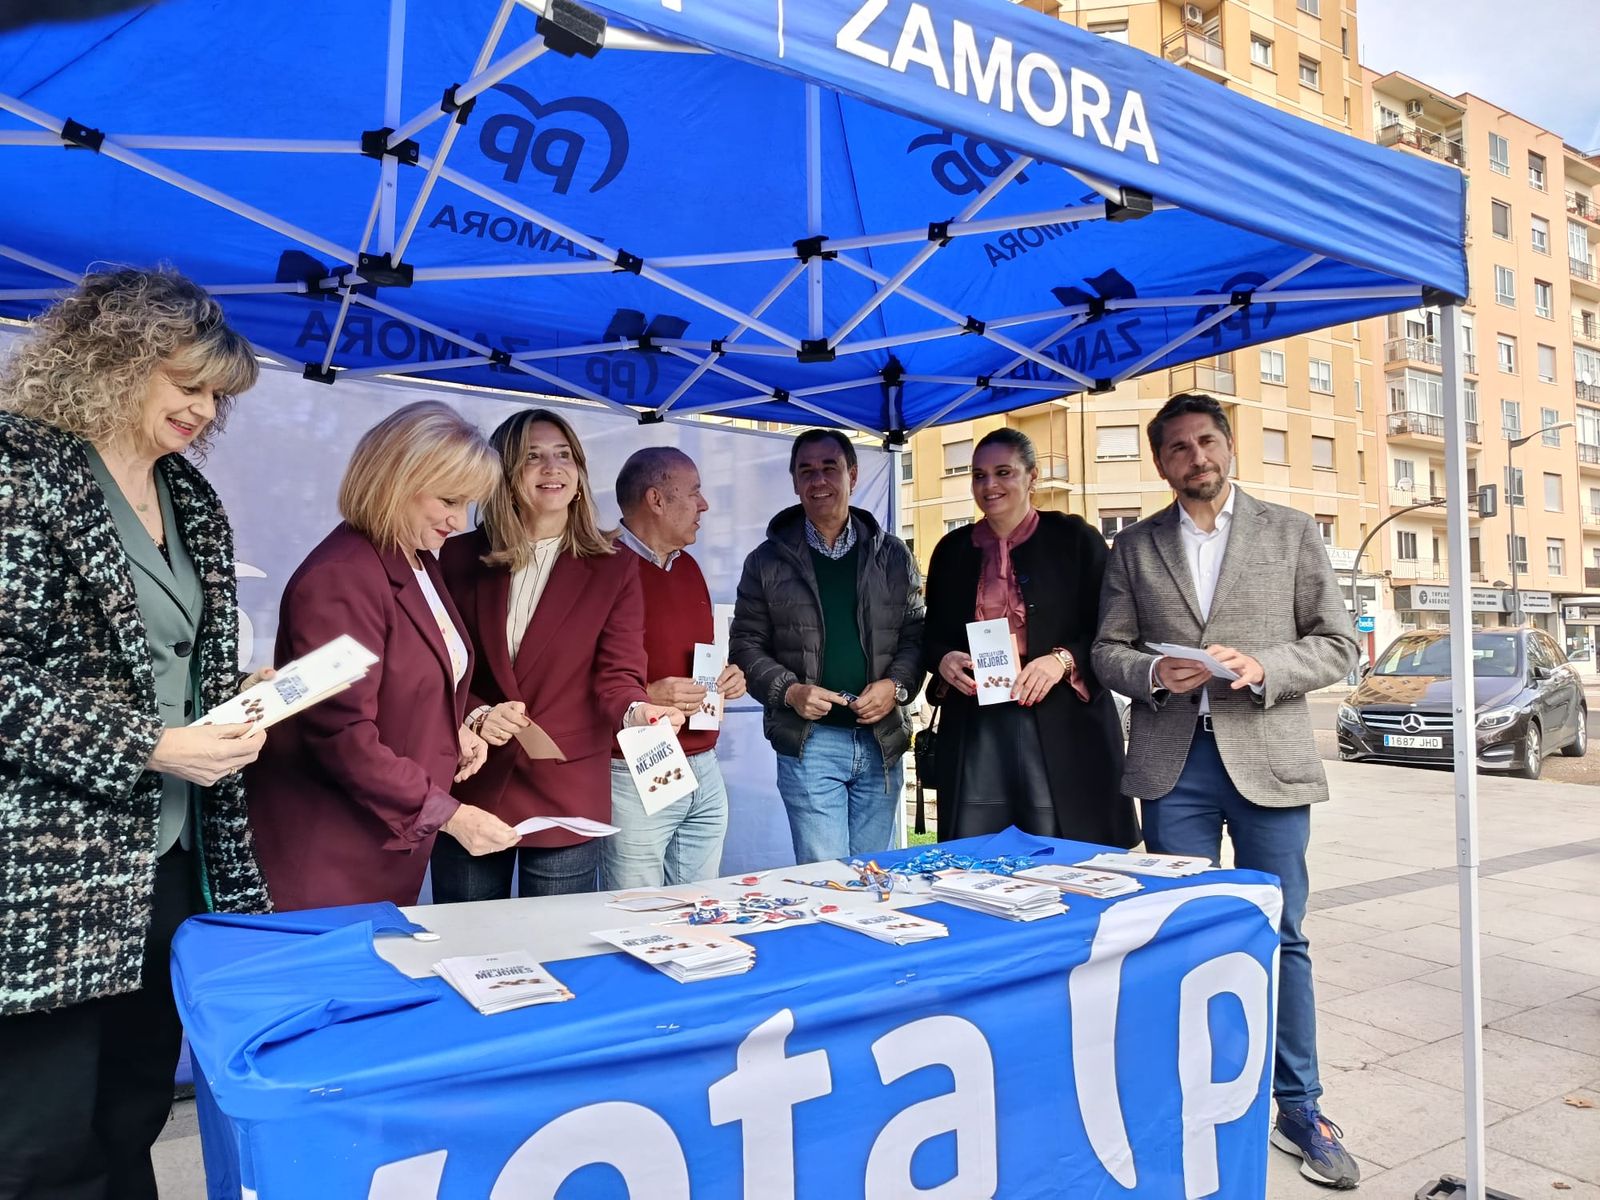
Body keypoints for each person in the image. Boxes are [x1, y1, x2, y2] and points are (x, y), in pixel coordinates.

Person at [0, 268, 271, 1198]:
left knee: (134, 1109)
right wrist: (147, 745)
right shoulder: (16, 468)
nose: (202, 409)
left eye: (215, 396)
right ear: (112, 361)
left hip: (173, 856)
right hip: (49, 870)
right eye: (185, 384)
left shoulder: (189, 498)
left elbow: (164, 665)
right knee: (37, 1138)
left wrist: (239, 701)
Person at [1090, 392, 1361, 1189]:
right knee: (1186, 937)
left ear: (1230, 445)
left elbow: (1339, 646)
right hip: (1174, 768)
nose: (1195, 457)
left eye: (1206, 441)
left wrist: (1265, 667)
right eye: (1177, 448)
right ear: (1159, 461)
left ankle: (1299, 1106)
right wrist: (1152, 673)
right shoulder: (1135, 547)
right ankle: (1193, 1097)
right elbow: (1106, 650)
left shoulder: (1293, 531)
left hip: (1268, 758)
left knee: (1284, 934)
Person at [247, 400, 519, 910]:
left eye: (468, 505)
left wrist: (454, 729)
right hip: (333, 847)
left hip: (384, 839)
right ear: (398, 479)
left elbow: (410, 682)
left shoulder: (413, 560)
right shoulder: (343, 577)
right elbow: (339, 733)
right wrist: (452, 816)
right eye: (449, 501)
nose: (459, 522)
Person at [437, 409, 681, 900]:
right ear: (504, 473)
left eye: (564, 455)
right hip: (473, 780)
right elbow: (440, 668)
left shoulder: (614, 568)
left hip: (566, 784)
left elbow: (618, 673)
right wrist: (478, 714)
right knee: (467, 944)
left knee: (555, 948)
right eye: (533, 457)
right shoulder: (456, 556)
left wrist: (637, 711)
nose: (553, 468)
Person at [921, 428, 1137, 846]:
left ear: (1032, 476)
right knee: (977, 855)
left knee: (1063, 851)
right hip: (975, 725)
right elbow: (930, 635)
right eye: (979, 475)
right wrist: (944, 659)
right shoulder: (951, 549)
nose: (990, 485)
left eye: (1004, 472)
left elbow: (1115, 628)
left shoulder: (1075, 539)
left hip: (1063, 726)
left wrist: (1062, 661)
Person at [730, 429, 924, 864]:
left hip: (882, 739)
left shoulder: (893, 555)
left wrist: (895, 686)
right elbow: (745, 646)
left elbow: (915, 636)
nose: (819, 480)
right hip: (811, 743)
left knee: (875, 873)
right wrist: (789, 691)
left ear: (852, 474)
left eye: (829, 468)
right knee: (826, 879)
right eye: (807, 471)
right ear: (794, 482)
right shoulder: (765, 561)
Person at [604, 446, 747, 889]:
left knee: (699, 904)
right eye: (696, 492)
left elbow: (696, 654)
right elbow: (567, 674)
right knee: (637, 907)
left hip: (703, 759)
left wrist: (729, 677)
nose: (704, 504)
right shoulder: (598, 566)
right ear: (657, 500)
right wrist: (644, 694)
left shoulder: (688, 567)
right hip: (636, 758)